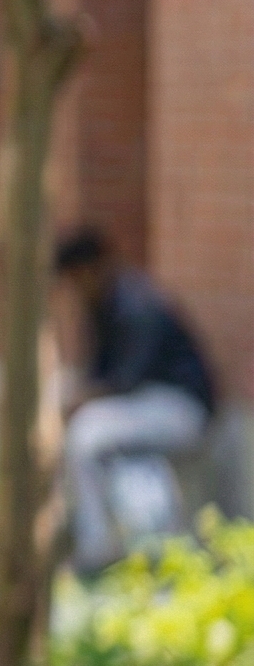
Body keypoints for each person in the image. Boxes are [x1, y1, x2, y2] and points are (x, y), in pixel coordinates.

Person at [54, 224, 219, 574]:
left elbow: (126, 379)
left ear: (94, 267)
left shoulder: (136, 302)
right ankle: (80, 535)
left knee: (88, 433)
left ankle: (95, 550)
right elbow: (97, 373)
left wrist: (81, 401)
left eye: (78, 277)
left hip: (179, 407)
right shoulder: (101, 305)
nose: (76, 289)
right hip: (143, 407)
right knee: (83, 427)